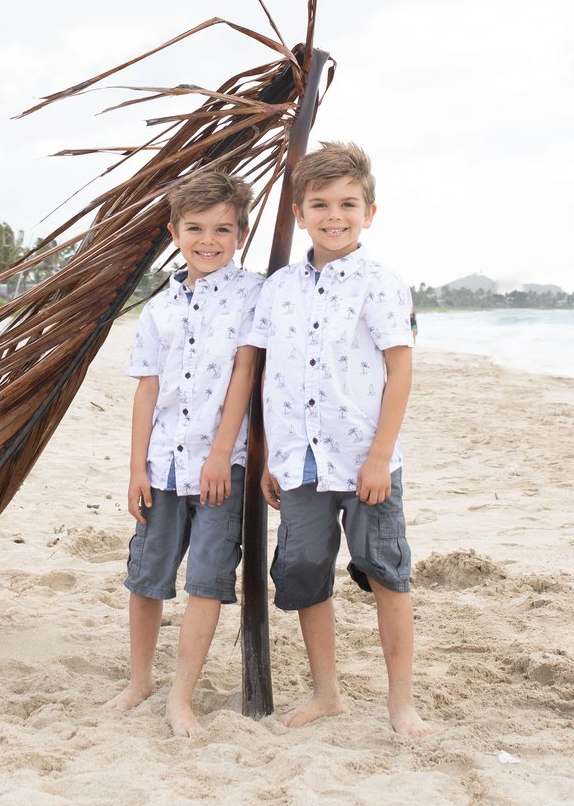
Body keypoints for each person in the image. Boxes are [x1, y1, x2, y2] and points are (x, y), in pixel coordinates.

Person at [217, 141, 430, 737]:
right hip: (299, 462)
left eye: (348, 204)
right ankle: (327, 692)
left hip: (366, 458)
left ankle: (401, 703)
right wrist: (268, 457)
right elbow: (266, 375)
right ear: (298, 213)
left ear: (370, 212)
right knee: (308, 571)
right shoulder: (277, 289)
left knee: (386, 572)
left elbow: (400, 371)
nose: (334, 216)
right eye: (320, 204)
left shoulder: (382, 285)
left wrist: (381, 456)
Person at [102, 169, 264, 736]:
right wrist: (135, 469)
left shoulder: (254, 294)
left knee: (207, 578)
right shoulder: (159, 307)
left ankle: (180, 694)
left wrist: (222, 453)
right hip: (163, 463)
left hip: (222, 463)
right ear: (174, 231)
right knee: (147, 573)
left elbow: (245, 371)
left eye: (222, 229)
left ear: (239, 233)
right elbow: (148, 387)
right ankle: (139, 679)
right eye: (195, 228)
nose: (208, 240)